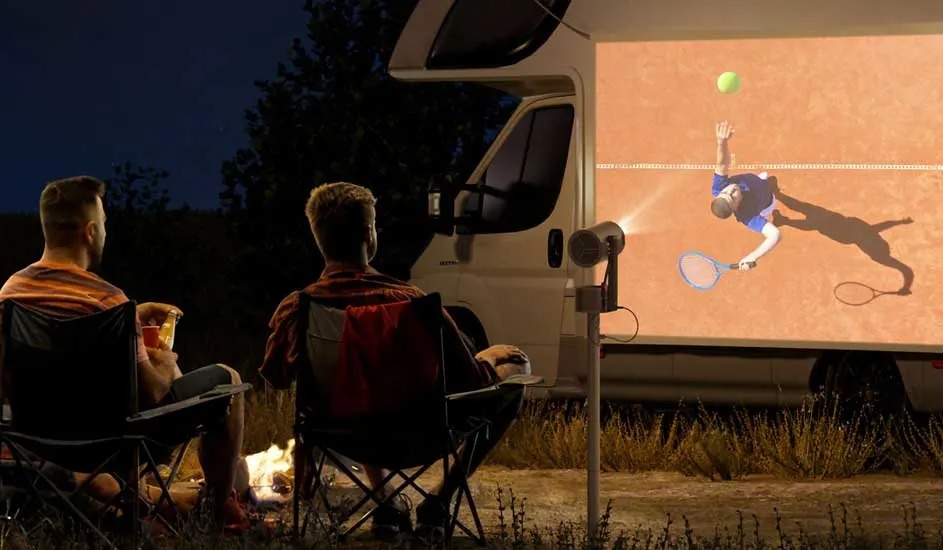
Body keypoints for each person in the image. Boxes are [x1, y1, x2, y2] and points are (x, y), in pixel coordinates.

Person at [260, 181, 529, 540]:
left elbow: (276, 376)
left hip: (342, 435)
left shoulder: (298, 308)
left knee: (361, 381)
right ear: (370, 234)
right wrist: (491, 357)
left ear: (317, 237)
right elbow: (470, 381)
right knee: (516, 370)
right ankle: (438, 501)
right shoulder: (413, 303)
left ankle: (386, 500)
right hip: (423, 435)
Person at [0, 176, 249, 533]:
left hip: (37, 438)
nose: (104, 233)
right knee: (229, 378)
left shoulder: (10, 296)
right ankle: (218, 508)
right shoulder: (109, 301)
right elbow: (152, 394)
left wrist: (131, 321)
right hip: (114, 442)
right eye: (103, 225)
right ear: (89, 231)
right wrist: (164, 360)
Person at [710, 120, 782, 269]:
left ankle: (762, 181)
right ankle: (780, 217)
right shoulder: (748, 216)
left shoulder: (718, 187)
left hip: (756, 182)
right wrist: (752, 256)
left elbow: (722, 163)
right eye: (733, 196)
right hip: (767, 201)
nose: (731, 189)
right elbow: (775, 235)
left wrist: (721, 142)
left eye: (726, 192)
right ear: (736, 207)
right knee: (773, 200)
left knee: (763, 180)